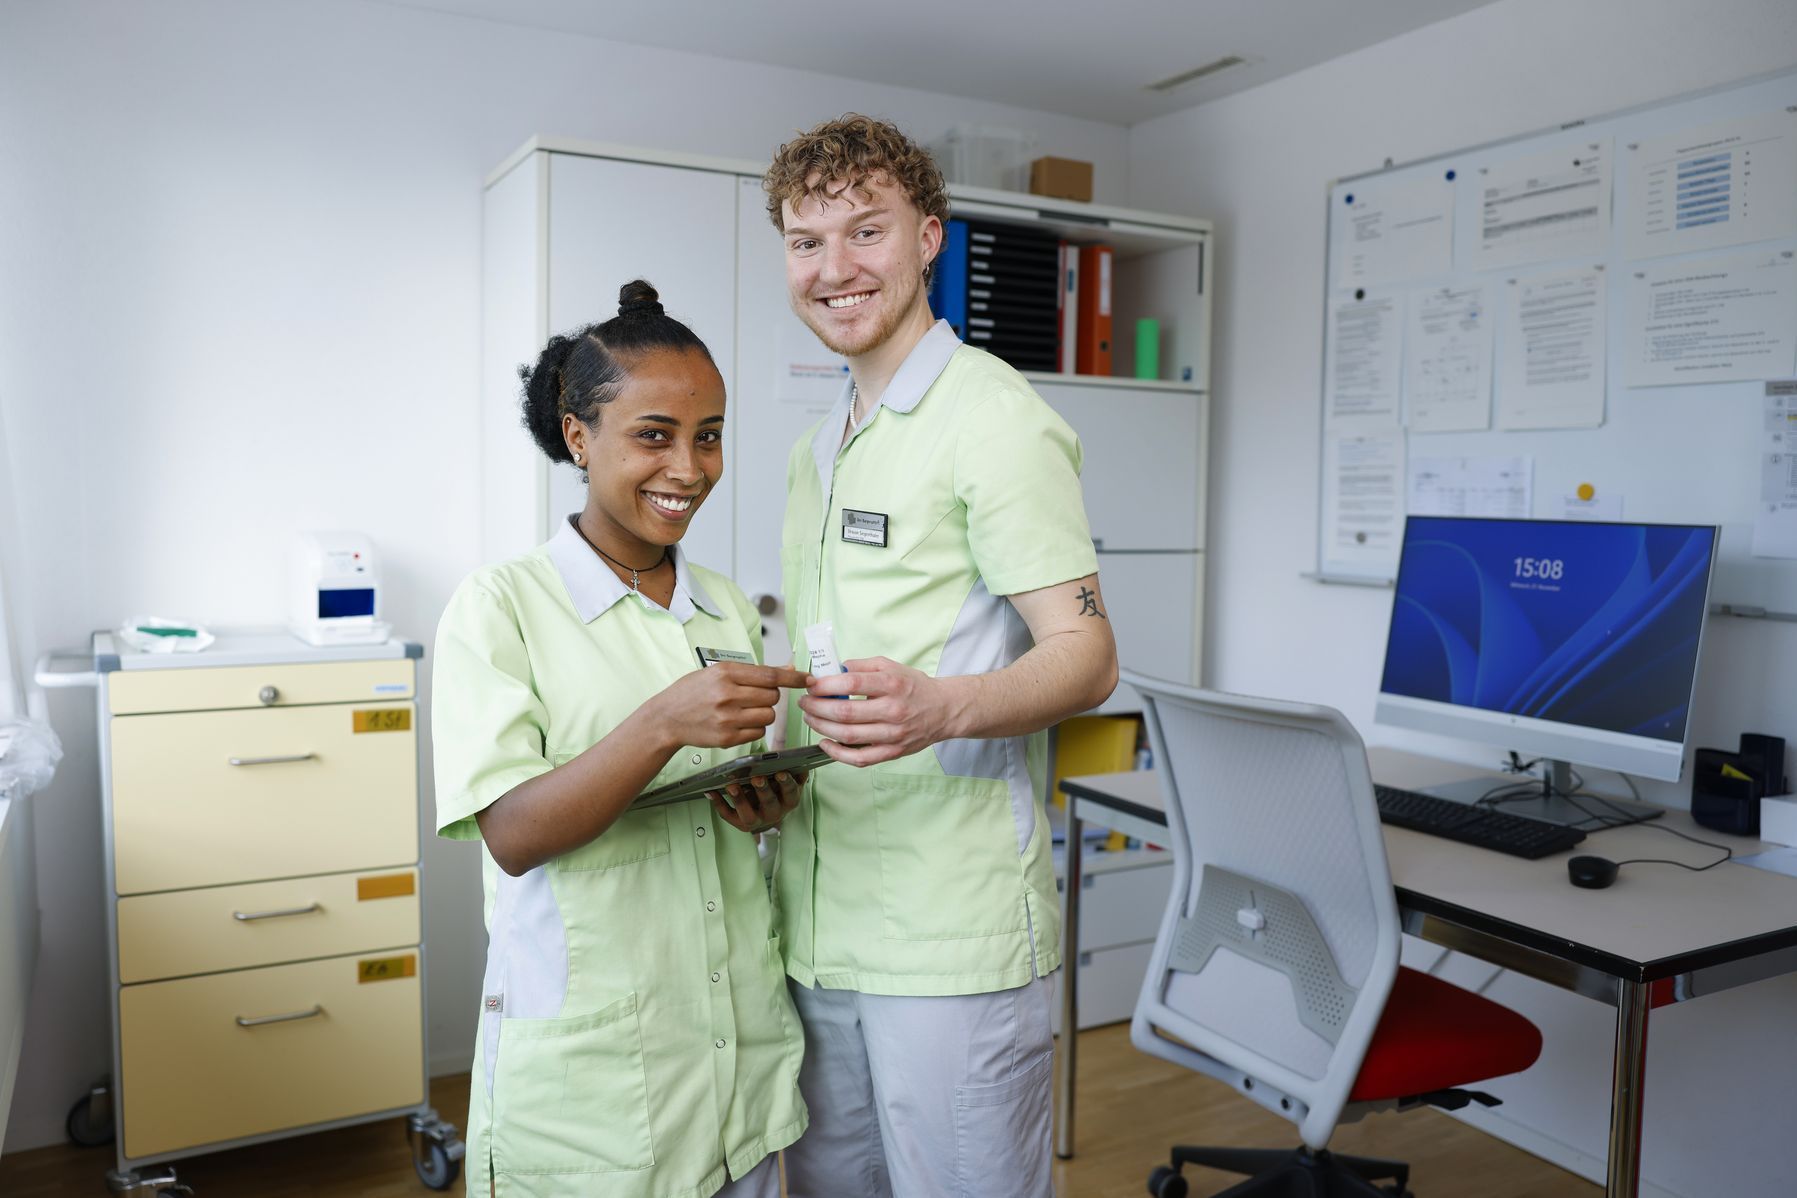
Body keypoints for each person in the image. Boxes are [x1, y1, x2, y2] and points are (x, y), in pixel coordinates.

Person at [762, 116, 1120, 1196]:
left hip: (947, 936)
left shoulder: (995, 421)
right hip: (822, 923)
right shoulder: (819, 446)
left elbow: (1088, 654)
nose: (835, 269)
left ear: (928, 238)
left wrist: (942, 709)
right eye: (806, 241)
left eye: (865, 232)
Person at [431, 280, 812, 1198]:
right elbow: (512, 834)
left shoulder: (723, 603)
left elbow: (731, 798)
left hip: (735, 1061)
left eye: (708, 435)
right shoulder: (501, 606)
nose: (689, 468)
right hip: (594, 1089)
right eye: (654, 435)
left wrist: (762, 803)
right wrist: (660, 724)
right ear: (577, 437)